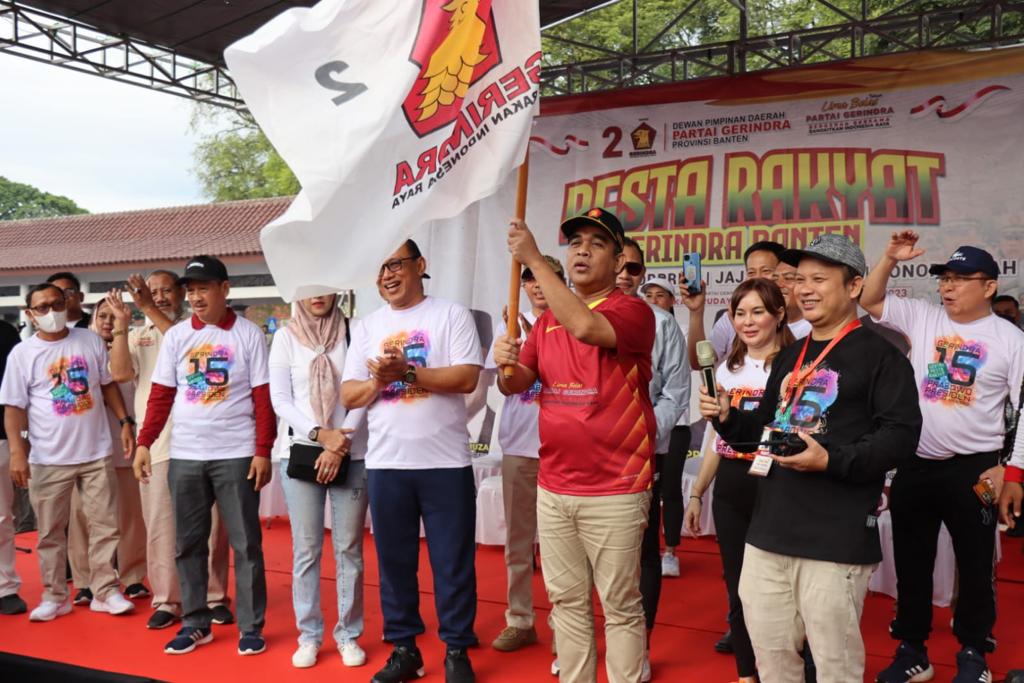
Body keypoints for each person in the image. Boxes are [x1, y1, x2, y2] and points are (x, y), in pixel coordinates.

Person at [699, 233, 922, 682]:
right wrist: (727, 417)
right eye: (799, 279)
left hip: (834, 541)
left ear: (854, 286)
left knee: (835, 667)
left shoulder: (883, 356)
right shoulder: (790, 356)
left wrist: (830, 461)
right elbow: (762, 431)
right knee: (772, 660)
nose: (804, 289)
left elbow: (901, 437)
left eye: (819, 279)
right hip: (768, 534)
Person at [493, 208, 656, 683]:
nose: (582, 251)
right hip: (555, 485)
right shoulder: (546, 323)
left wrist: (533, 260)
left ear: (619, 260)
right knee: (565, 603)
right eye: (575, 243)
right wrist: (506, 365)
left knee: (620, 605)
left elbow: (586, 327)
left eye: (596, 244)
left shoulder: (632, 311)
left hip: (616, 487)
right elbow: (519, 383)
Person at [861, 234, 1024, 683]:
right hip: (915, 463)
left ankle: (973, 652)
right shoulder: (924, 316)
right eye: (944, 278)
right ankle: (912, 650)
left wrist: (1012, 469)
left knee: (975, 564)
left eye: (960, 279)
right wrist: (889, 258)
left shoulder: (1010, 339)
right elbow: (869, 299)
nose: (947, 287)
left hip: (975, 468)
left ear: (989, 286)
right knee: (911, 562)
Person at [341, 239, 482, 683]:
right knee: (394, 564)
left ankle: (457, 650)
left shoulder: (450, 314)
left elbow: (467, 377)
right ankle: (405, 649)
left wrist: (406, 372)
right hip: (387, 466)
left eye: (396, 264)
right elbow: (349, 394)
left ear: (420, 265)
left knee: (452, 563)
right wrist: (378, 381)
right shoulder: (367, 326)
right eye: (381, 267)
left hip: (446, 463)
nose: (387, 275)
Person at [133, 255, 275, 656]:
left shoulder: (248, 334)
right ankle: (196, 623)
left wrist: (263, 450)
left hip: (236, 454)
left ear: (224, 289)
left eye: (204, 289)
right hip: (186, 455)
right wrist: (145, 442)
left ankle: (251, 627)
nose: (196, 297)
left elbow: (262, 398)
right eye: (191, 290)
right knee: (188, 543)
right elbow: (161, 395)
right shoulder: (178, 336)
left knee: (246, 545)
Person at [0, 283, 136, 621]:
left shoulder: (89, 341)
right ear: (30, 314)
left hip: (96, 452)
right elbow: (13, 407)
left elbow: (107, 385)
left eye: (56, 304)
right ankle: (55, 596)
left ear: (68, 303)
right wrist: (17, 452)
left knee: (105, 525)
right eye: (42, 307)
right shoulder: (22, 354)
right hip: (48, 458)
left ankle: (105, 591)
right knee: (50, 533)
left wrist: (124, 421)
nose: (51, 312)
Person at [108, 271, 233, 631]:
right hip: (159, 443)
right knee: (161, 525)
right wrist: (121, 326)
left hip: (205, 441)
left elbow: (184, 344)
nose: (159, 297)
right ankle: (167, 599)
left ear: (182, 293)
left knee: (212, 526)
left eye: (166, 291)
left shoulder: (200, 330)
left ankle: (213, 597)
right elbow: (120, 373)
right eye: (152, 292)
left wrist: (146, 306)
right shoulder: (139, 335)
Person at [684, 278, 795, 683]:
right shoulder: (725, 370)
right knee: (738, 585)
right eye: (739, 313)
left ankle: (786, 670)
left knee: (781, 588)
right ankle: (747, 673)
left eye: (757, 312)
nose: (747, 322)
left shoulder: (794, 368)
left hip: (778, 484)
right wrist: (698, 492)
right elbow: (717, 439)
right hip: (731, 487)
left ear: (779, 315)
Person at [269, 293, 369, 669]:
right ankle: (309, 636)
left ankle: (348, 635)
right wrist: (320, 435)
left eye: (324, 287)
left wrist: (339, 443)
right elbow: (281, 399)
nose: (317, 296)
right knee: (306, 549)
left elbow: (365, 392)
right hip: (301, 452)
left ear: (336, 291)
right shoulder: (285, 336)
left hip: (350, 452)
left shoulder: (355, 331)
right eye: (309, 289)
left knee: (349, 549)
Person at [617, 238, 689, 682]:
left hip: (643, 454)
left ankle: (639, 645)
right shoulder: (575, 318)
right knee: (589, 554)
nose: (624, 275)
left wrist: (639, 436)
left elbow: (675, 392)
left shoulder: (663, 325)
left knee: (643, 550)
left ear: (642, 275)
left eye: (633, 269)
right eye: (618, 265)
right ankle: (578, 640)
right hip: (589, 459)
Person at [487, 255, 565, 654]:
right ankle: (519, 620)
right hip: (519, 446)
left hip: (563, 449)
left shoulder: (572, 324)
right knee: (518, 543)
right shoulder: (509, 327)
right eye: (529, 278)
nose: (536, 285)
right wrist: (514, 346)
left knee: (561, 547)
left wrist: (538, 341)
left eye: (544, 277)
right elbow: (505, 385)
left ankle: (564, 625)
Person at [67, 299, 148, 606]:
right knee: (83, 518)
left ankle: (133, 576)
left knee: (130, 516)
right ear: (92, 320)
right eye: (102, 316)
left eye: (114, 317)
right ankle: (85, 581)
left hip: (125, 445)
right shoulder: (76, 351)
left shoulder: (134, 346)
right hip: (83, 449)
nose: (107, 322)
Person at [685, 241, 810, 369]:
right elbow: (699, 364)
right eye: (751, 272)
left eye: (766, 271)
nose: (758, 278)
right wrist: (696, 312)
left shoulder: (811, 325)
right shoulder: (730, 317)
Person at [640, 280, 691, 580]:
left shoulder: (677, 328)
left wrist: (651, 426)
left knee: (669, 489)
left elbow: (678, 383)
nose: (654, 300)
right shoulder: (634, 325)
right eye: (649, 295)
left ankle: (670, 550)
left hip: (674, 425)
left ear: (672, 300)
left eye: (660, 295)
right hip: (642, 430)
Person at [0, 318, 25, 615]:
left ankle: (4, 587)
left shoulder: (5, 333)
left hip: (0, 438)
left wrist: (21, 439)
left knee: (2, 517)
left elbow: (18, 393)